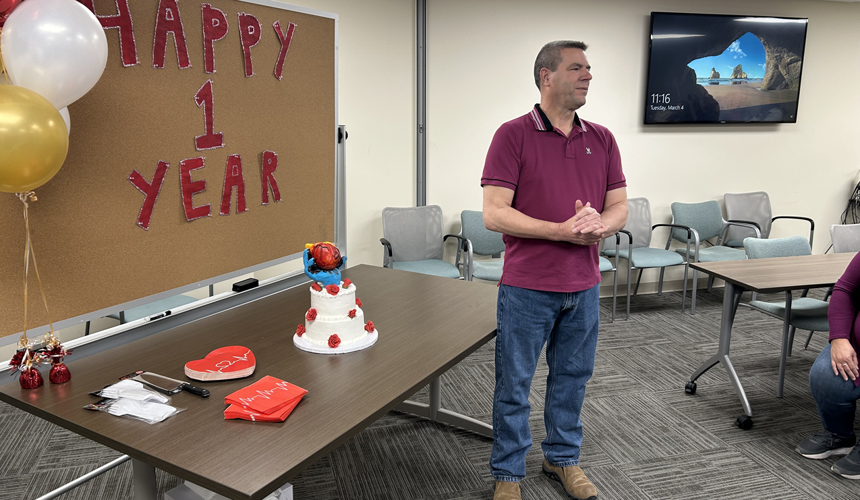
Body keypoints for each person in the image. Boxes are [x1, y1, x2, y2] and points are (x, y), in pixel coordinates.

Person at [481, 41, 628, 500]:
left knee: (572, 380)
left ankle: (561, 459)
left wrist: (602, 224)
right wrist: (560, 231)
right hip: (527, 287)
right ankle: (507, 473)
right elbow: (494, 213)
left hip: (584, 286)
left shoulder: (602, 138)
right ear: (546, 76)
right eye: (576, 68)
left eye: (589, 68)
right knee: (515, 385)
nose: (587, 76)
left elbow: (619, 205)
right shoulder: (513, 134)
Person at [795, 251, 860, 480]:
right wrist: (840, 338)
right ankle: (839, 435)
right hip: (855, 346)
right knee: (825, 375)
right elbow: (845, 290)